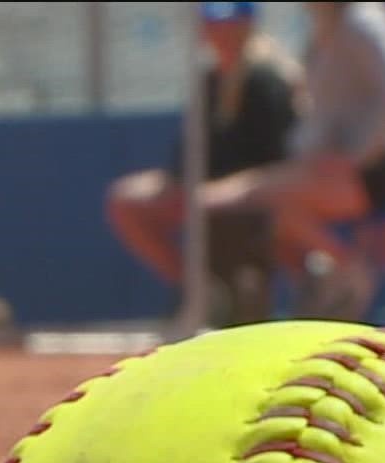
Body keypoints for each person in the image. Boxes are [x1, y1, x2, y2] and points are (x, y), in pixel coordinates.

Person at [196, 0, 385, 321]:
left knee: (249, 196)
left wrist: (357, 155)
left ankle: (345, 273)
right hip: (331, 164)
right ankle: (324, 276)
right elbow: (324, 109)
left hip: (371, 170)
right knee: (252, 205)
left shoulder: (364, 19)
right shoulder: (324, 23)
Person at [104, 1, 302, 323]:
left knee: (208, 203)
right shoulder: (209, 79)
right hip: (202, 191)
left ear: (246, 25)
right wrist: (186, 184)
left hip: (255, 192)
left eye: (227, 23)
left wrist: (220, 189)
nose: (218, 32)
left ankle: (304, 288)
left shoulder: (267, 77)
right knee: (126, 200)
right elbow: (184, 158)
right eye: (212, 23)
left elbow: (278, 161)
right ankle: (202, 291)